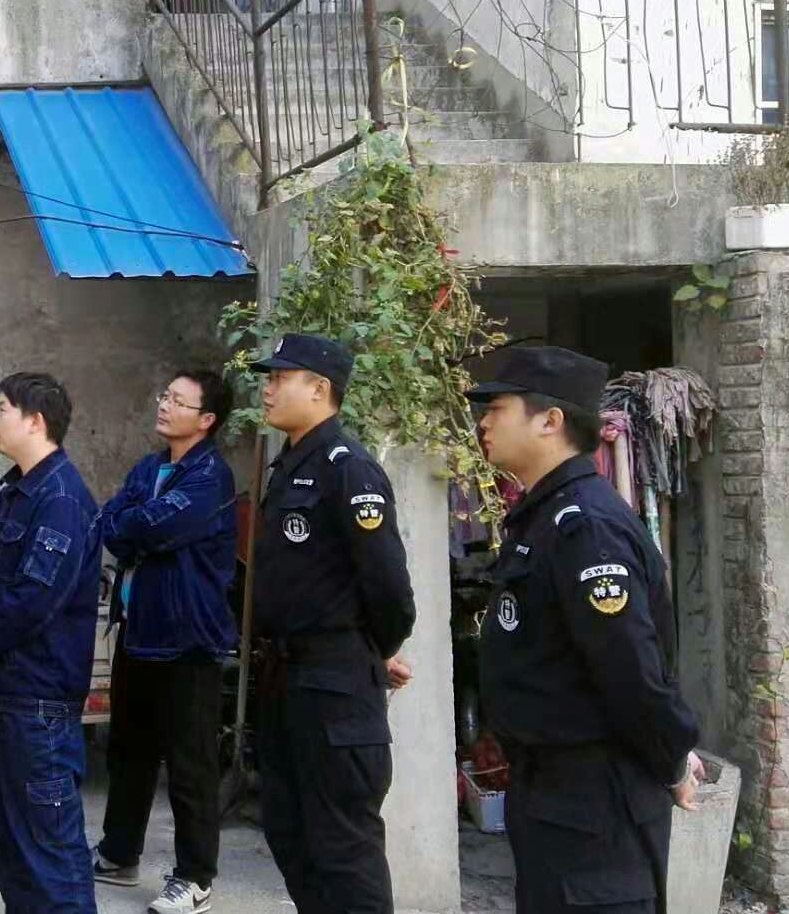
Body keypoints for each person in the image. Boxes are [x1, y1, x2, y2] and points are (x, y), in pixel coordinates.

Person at [470, 346, 704, 914]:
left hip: (595, 803)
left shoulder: (587, 527)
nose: (483, 424)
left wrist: (672, 757)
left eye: (496, 409)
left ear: (549, 420)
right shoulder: (545, 516)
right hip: (550, 794)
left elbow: (631, 670)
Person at [247, 333, 415, 914]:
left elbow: (390, 590)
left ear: (319, 389)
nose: (267, 390)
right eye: (268, 379)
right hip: (285, 679)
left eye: (279, 378)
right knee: (290, 832)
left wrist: (365, 651)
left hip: (334, 686)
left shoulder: (349, 470)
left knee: (343, 848)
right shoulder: (290, 466)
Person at [0, 373, 100, 914]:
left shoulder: (61, 499)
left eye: (2, 408)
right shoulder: (14, 494)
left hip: (36, 705)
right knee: (10, 846)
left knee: (50, 855)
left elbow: (33, 600)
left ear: (36, 421)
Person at [92, 371, 239, 914]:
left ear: (206, 420)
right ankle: (118, 855)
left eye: (179, 400)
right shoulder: (148, 468)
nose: (165, 405)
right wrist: (134, 525)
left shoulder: (210, 477)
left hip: (187, 638)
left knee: (190, 763)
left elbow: (154, 528)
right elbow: (109, 523)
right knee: (128, 751)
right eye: (165, 396)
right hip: (138, 630)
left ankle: (195, 877)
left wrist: (133, 525)